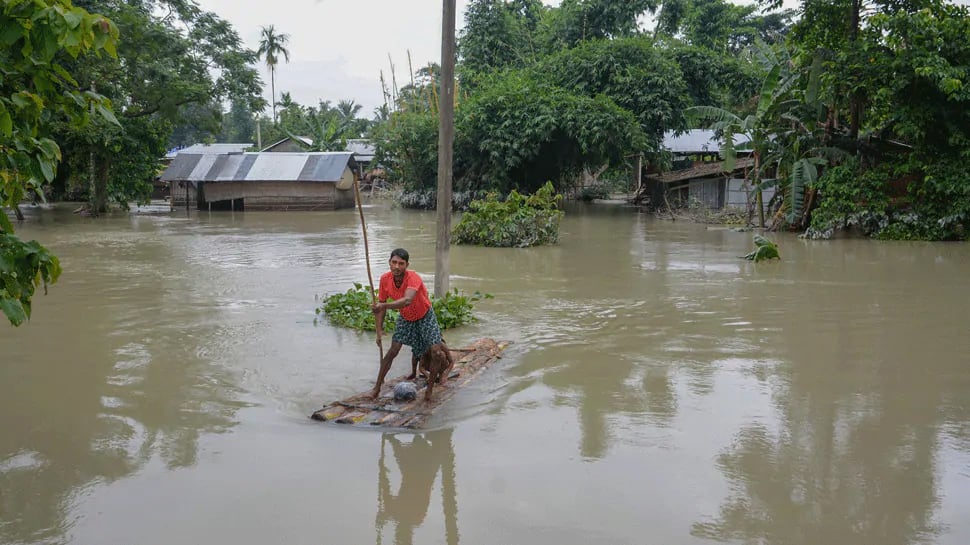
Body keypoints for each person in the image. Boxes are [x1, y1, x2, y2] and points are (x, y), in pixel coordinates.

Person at [370, 248, 451, 399]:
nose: (396, 267)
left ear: (406, 265)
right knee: (392, 351)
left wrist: (385, 306)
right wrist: (379, 330)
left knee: (436, 352)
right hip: (406, 317)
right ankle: (376, 388)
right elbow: (380, 305)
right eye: (394, 262)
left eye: (401, 264)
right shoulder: (384, 279)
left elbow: (407, 300)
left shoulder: (413, 278)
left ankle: (429, 391)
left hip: (425, 315)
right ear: (389, 263)